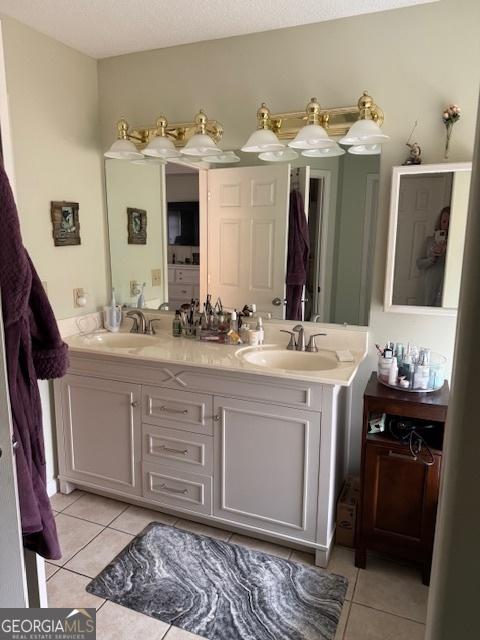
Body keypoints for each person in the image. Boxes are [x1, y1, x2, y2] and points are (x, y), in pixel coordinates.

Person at [417, 206, 450, 306]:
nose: (447, 225)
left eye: (450, 222)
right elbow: (419, 264)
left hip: (448, 287)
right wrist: (432, 259)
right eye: (444, 221)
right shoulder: (429, 241)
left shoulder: (456, 244)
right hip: (430, 286)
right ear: (440, 222)